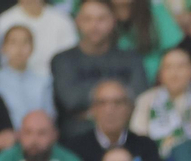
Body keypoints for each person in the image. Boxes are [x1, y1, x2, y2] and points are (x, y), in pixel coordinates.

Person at [51, 0, 148, 138]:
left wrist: (90, 111)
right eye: (87, 19)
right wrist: (119, 102)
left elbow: (139, 96)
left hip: (125, 136)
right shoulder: (62, 60)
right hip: (77, 137)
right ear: (77, 21)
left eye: (101, 19)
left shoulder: (132, 58)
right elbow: (71, 100)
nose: (94, 25)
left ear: (113, 21)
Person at [62, 79, 164, 161]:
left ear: (131, 109)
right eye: (102, 103)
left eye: (118, 103)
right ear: (93, 110)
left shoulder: (146, 147)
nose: (110, 110)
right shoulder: (75, 149)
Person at [0, 0, 80, 78]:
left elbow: (70, 61)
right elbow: (4, 61)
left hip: (56, 83)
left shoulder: (63, 20)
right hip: (13, 82)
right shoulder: (4, 20)